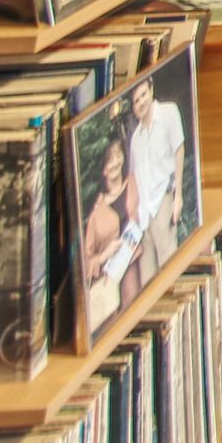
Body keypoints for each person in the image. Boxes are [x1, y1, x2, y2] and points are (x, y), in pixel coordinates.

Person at [127, 75, 189, 275]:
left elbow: (179, 150)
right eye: (136, 101)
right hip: (144, 215)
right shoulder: (136, 138)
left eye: (143, 95)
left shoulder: (168, 112)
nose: (141, 103)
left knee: (169, 270)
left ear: (151, 90)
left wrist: (178, 196)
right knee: (148, 280)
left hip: (163, 202)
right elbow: (136, 176)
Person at [80, 136, 141, 330]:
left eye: (118, 155)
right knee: (121, 329)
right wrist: (105, 254)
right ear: (103, 169)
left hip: (137, 264)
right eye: (110, 159)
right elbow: (86, 262)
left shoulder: (134, 182)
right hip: (110, 282)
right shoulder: (96, 215)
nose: (115, 161)